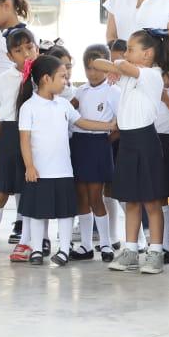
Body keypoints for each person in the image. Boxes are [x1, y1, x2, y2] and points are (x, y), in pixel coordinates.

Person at [17, 53, 114, 266]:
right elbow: (24, 140)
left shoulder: (63, 105)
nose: (66, 80)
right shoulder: (29, 107)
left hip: (63, 170)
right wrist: (29, 166)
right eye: (61, 76)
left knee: (65, 211)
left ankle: (63, 250)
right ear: (45, 79)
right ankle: (35, 249)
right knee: (36, 212)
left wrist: (109, 125)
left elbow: (83, 123)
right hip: (39, 171)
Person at [98, 28, 169, 276]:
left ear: (148, 53)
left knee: (152, 200)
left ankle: (156, 251)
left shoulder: (151, 75)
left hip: (145, 140)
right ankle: (131, 249)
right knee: (131, 199)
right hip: (128, 141)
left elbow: (122, 65)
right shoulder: (130, 74)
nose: (126, 54)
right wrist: (114, 65)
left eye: (132, 49)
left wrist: (117, 65)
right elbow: (97, 62)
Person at [0, 27, 38, 263]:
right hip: (8, 137)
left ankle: (26, 242)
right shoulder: (5, 79)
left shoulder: (45, 74)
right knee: (0, 192)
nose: (26, 54)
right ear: (9, 56)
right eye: (18, 50)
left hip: (36, 138)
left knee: (29, 191)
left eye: (30, 47)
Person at [69, 42, 119, 261]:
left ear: (108, 67)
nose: (93, 73)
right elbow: (69, 111)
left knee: (95, 197)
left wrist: (106, 140)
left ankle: (106, 244)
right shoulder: (81, 90)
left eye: (98, 67)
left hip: (99, 144)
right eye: (89, 68)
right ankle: (86, 246)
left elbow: (120, 123)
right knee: (81, 196)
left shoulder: (113, 90)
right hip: (79, 144)